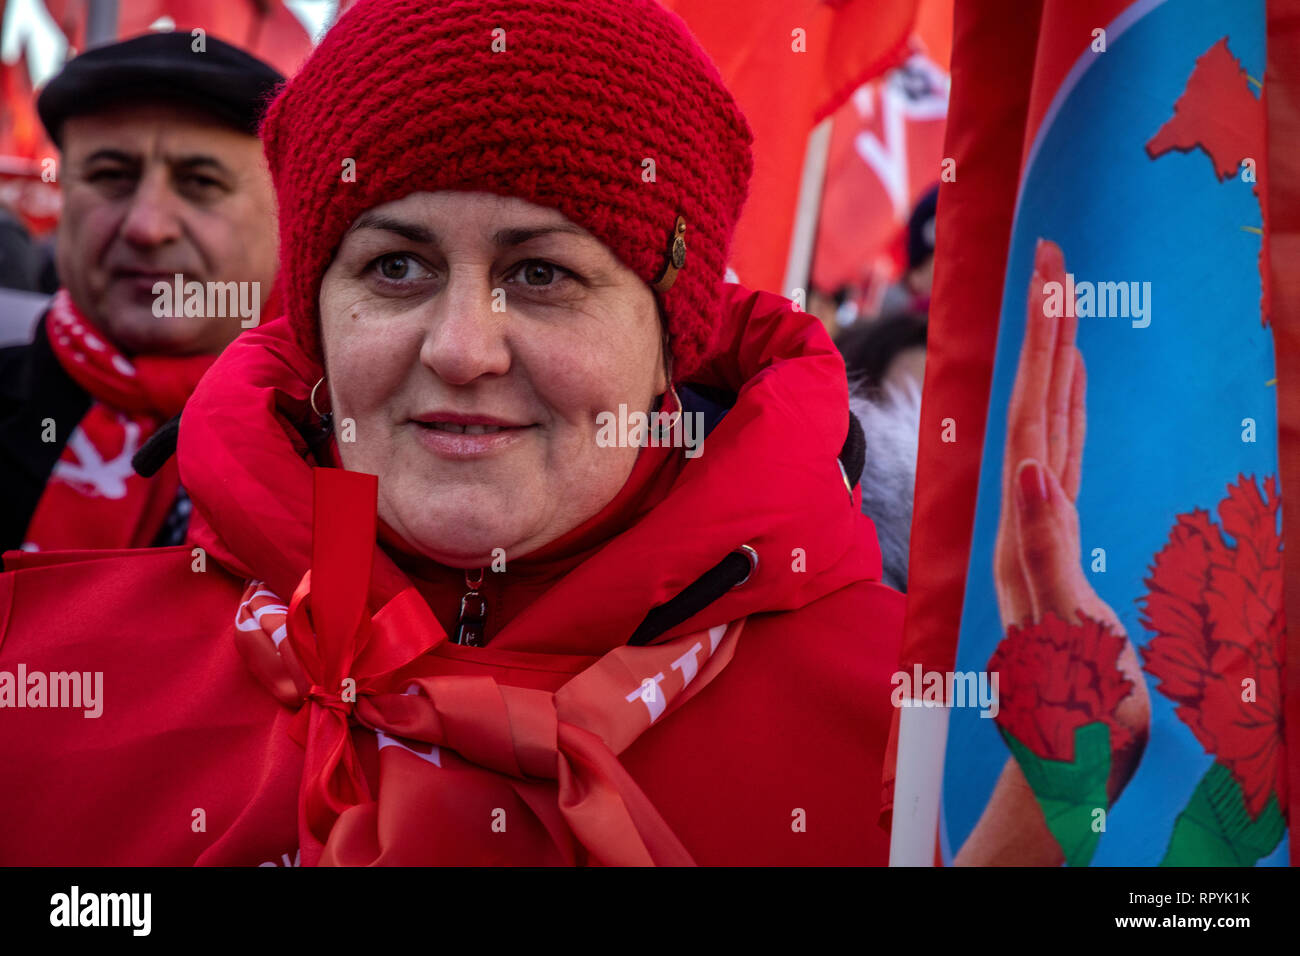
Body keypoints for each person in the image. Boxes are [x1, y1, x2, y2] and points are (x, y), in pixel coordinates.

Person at [0, 0, 903, 866]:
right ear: (314, 319)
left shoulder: (925, 737)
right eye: (396, 266)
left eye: (543, 272)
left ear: (675, 345)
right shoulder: (43, 680)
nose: (463, 349)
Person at [0, 32, 282, 552]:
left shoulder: (344, 446)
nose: (147, 227)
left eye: (200, 182)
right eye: (111, 176)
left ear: (285, 215)